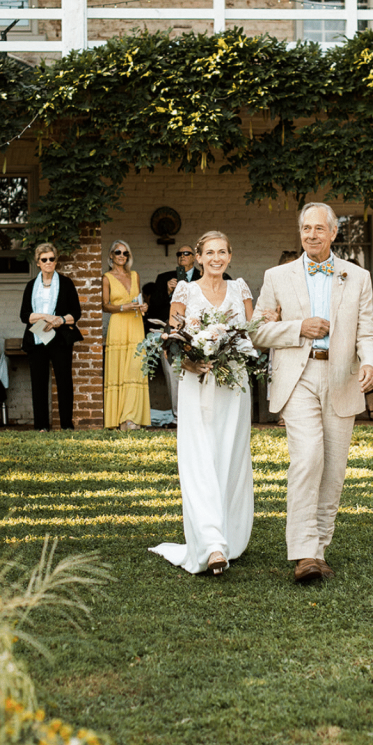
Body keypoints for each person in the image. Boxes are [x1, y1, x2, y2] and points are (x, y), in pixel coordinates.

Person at [251, 203, 373, 584]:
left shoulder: (357, 277)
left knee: (334, 468)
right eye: (305, 228)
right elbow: (256, 330)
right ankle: (304, 553)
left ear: (333, 233)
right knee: (307, 457)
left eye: (318, 229)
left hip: (342, 377)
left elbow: (368, 331)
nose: (311, 235)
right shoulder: (277, 276)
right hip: (299, 376)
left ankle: (319, 549)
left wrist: (370, 361)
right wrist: (298, 328)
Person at [148, 232, 255, 576]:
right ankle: (211, 545)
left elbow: (252, 335)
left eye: (222, 251)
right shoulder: (185, 291)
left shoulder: (240, 289)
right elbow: (172, 340)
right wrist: (190, 361)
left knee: (231, 457)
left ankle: (229, 536)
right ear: (197, 257)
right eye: (209, 252)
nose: (216, 258)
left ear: (230, 255)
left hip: (233, 386)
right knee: (200, 458)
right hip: (197, 383)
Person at [19, 242, 84, 431]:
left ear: (56, 261)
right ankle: (41, 426)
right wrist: (45, 317)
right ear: (38, 262)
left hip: (60, 337)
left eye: (51, 259)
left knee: (64, 381)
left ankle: (66, 425)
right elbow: (25, 316)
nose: (48, 262)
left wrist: (60, 320)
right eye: (44, 259)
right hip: (37, 337)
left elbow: (76, 314)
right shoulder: (31, 286)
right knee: (38, 383)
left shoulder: (66, 283)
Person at [146, 245, 202, 425]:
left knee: (197, 372)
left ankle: (198, 415)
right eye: (179, 254)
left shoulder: (202, 277)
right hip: (170, 334)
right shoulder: (164, 278)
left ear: (194, 257)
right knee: (173, 373)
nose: (182, 256)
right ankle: (178, 417)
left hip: (196, 333)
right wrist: (168, 292)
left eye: (187, 253)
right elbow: (153, 309)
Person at [102, 238, 149, 430]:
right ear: (111, 255)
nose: (122, 256)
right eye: (118, 252)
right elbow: (105, 305)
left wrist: (144, 306)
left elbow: (140, 299)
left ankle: (133, 418)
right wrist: (123, 306)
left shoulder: (135, 275)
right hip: (119, 324)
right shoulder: (107, 278)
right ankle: (120, 419)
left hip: (137, 323)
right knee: (119, 370)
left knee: (135, 368)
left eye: (125, 253)